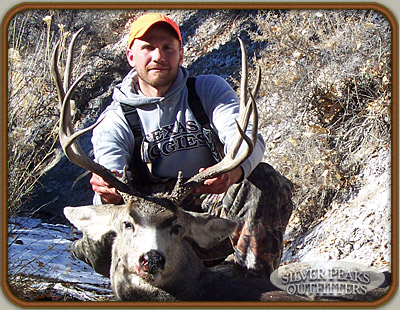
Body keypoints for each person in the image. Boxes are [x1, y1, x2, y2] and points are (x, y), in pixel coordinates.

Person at [78, 12, 293, 278]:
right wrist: (107, 190)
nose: (158, 56)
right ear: (131, 56)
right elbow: (109, 174)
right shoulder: (115, 119)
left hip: (201, 213)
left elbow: (248, 138)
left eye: (168, 48)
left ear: (181, 54)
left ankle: (252, 286)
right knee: (101, 240)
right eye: (148, 47)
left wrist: (232, 172)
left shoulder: (207, 90)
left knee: (264, 180)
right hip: (146, 220)